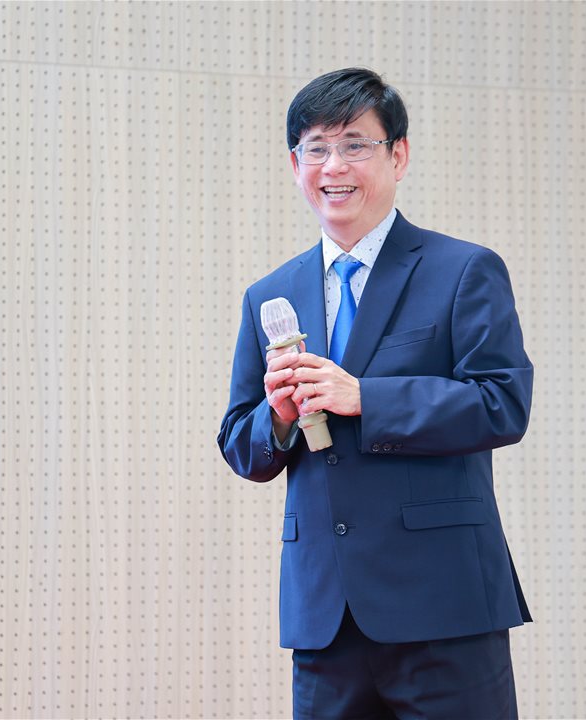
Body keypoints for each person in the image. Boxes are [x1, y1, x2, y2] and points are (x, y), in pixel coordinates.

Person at [217, 67, 533, 719]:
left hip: (444, 609)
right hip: (325, 619)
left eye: (355, 144)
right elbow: (241, 444)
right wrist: (278, 417)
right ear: (295, 165)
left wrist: (366, 397)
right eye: (317, 148)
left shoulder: (463, 270)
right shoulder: (269, 295)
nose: (335, 166)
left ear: (398, 155)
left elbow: (501, 403)